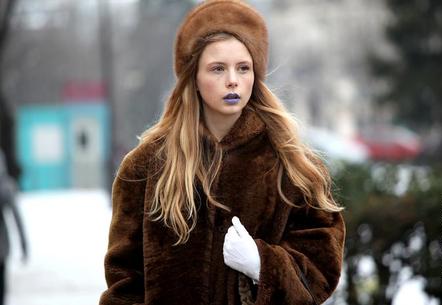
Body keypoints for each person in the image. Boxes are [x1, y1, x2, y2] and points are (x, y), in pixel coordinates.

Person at [99, 1, 345, 304]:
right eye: (218, 68)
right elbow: (124, 279)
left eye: (243, 68)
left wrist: (262, 264)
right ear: (194, 78)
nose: (233, 80)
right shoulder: (146, 167)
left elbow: (322, 268)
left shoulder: (291, 163)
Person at [0, 149, 28, 305]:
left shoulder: (5, 187)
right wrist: (24, 245)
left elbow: (17, 218)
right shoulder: (5, 186)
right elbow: (17, 219)